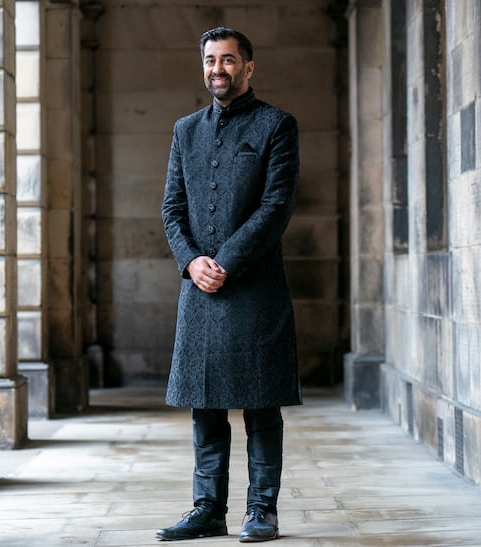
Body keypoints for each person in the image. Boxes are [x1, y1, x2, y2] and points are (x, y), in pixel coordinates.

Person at [157, 26, 302, 543]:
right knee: (205, 403)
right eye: (210, 61)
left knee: (262, 404)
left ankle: (262, 510)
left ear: (248, 67)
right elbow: (172, 210)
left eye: (228, 60)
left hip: (255, 289)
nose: (218, 69)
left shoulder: (277, 126)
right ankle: (207, 509)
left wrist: (224, 262)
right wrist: (192, 261)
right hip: (198, 289)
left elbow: (275, 208)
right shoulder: (184, 130)